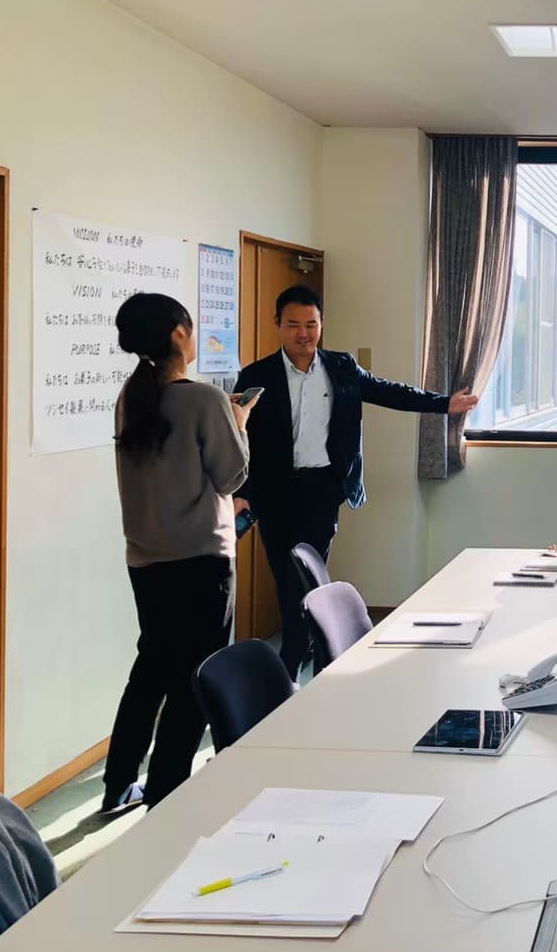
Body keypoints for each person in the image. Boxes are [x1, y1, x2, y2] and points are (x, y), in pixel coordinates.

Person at [234, 285, 478, 678]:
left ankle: (296, 660)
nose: (303, 333)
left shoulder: (342, 367)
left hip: (322, 489)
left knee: (309, 577)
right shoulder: (256, 376)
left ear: (321, 324)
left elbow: (389, 392)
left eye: (311, 324)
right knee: (286, 580)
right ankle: (306, 655)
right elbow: (242, 439)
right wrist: (242, 493)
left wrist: (443, 404)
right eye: (293, 324)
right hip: (273, 492)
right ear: (277, 324)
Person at [104, 292, 254, 813]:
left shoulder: (131, 396)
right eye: (190, 328)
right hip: (202, 561)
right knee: (195, 682)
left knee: (150, 671)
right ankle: (166, 796)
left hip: (146, 560)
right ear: (177, 334)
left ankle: (119, 782)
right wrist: (239, 424)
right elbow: (232, 477)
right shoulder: (205, 400)